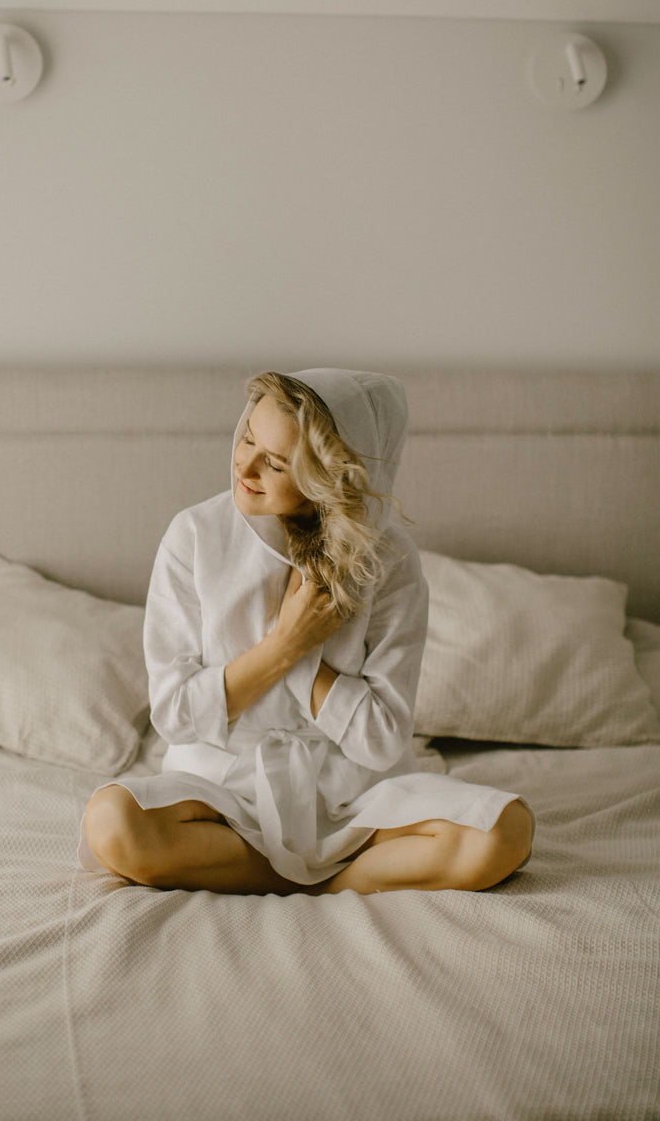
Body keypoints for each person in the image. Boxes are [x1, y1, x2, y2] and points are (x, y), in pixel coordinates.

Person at [80, 369, 533, 895]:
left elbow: (383, 739)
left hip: (353, 801)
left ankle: (317, 880)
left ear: (333, 477)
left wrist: (308, 668)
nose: (244, 465)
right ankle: (323, 879)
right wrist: (287, 642)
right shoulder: (195, 536)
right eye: (247, 436)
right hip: (223, 797)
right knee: (112, 821)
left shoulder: (389, 562)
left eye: (275, 462)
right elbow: (175, 715)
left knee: (505, 831)